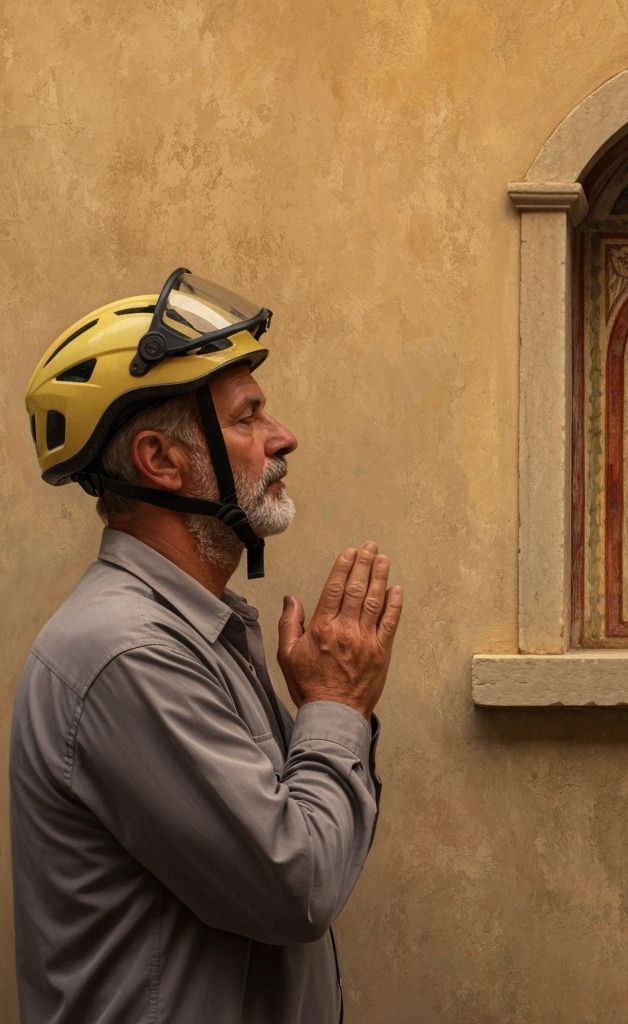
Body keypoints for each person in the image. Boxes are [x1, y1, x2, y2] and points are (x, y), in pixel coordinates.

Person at [10, 268, 403, 1024]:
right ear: (163, 460)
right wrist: (335, 706)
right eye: (249, 417)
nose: (284, 437)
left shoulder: (199, 629)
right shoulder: (127, 655)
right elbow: (299, 885)